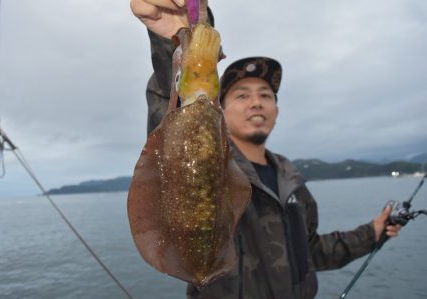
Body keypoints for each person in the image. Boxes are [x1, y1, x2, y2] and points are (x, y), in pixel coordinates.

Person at [130, 1, 401, 298]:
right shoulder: (210, 160)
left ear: (276, 109)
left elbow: (312, 253)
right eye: (242, 95)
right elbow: (171, 105)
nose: (256, 102)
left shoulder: (291, 182)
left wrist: (371, 234)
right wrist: (174, 36)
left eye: (265, 95)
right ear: (221, 105)